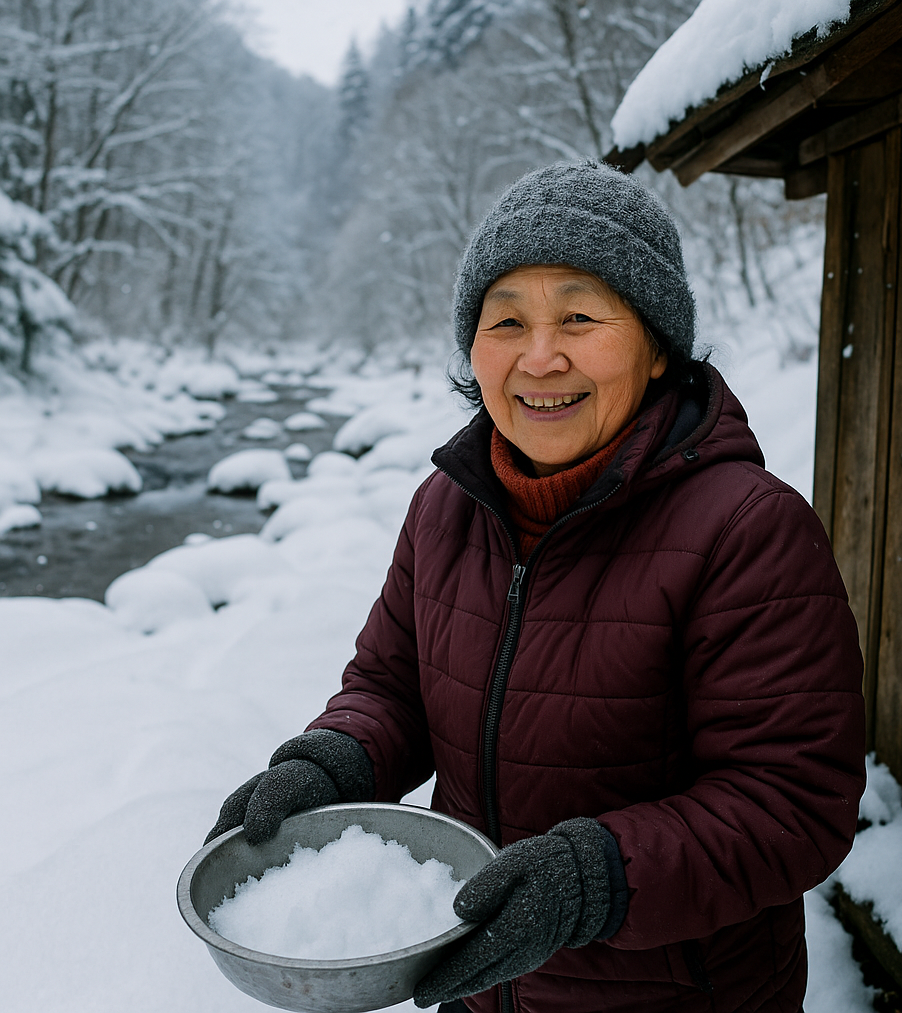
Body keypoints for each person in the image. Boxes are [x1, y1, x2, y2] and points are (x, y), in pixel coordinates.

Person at [207, 159, 865, 1013]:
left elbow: (792, 803)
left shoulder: (747, 530)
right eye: (506, 320)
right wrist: (335, 764)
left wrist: (598, 878)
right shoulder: (447, 507)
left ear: (659, 347)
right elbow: (392, 690)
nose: (541, 356)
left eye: (581, 317)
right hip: (479, 985)